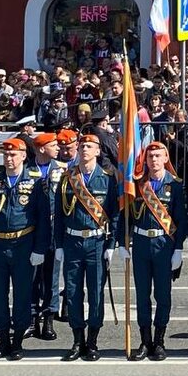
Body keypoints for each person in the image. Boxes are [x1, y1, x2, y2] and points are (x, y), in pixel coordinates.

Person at [0, 137, 50, 361]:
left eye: (13, 154)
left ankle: (17, 340)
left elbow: (43, 218)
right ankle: (2, 340)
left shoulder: (36, 183)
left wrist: (39, 248)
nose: (9, 158)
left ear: (23, 156)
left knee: (22, 295)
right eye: (6, 155)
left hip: (23, 245)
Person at [54, 133, 120, 362]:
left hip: (96, 242)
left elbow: (114, 215)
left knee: (95, 294)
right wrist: (59, 244)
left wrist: (111, 245)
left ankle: (92, 341)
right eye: (82, 146)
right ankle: (77, 340)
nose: (84, 150)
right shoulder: (67, 178)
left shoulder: (108, 179)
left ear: (98, 151)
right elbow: (59, 214)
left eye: (89, 146)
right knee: (72, 293)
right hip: (72, 242)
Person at [123, 141, 187, 361]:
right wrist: (124, 243)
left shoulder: (176, 185)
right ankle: (145, 341)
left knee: (163, 296)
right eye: (150, 157)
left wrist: (178, 249)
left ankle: (159, 341)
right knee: (142, 295)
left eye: (159, 156)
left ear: (166, 158)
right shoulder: (137, 184)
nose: (154, 160)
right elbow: (128, 216)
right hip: (141, 244)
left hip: (164, 245)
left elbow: (181, 219)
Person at [30, 132, 65, 340]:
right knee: (32, 277)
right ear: (42, 148)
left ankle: (49, 319)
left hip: (53, 230)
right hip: (33, 232)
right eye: (53, 145)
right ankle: (33, 320)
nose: (58, 148)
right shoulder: (27, 170)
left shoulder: (61, 171)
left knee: (52, 276)